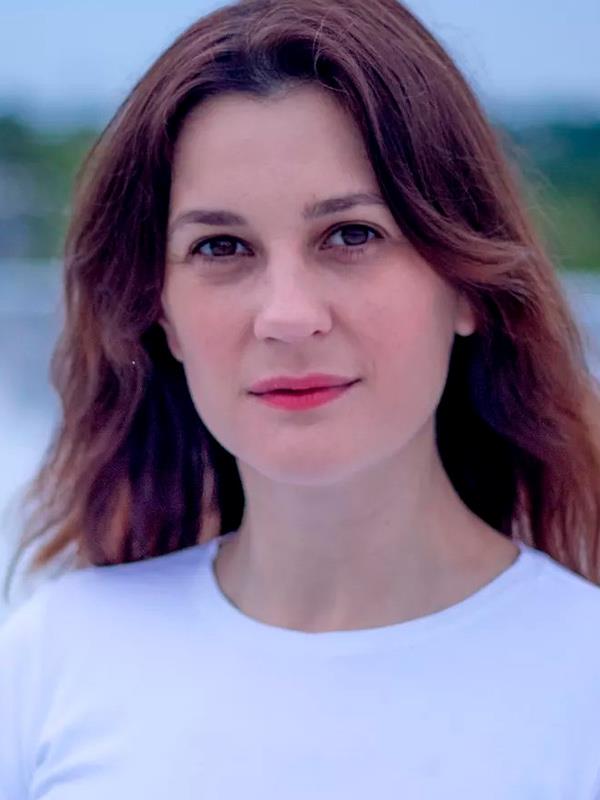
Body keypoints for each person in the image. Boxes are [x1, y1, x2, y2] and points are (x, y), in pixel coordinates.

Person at [2, 0, 600, 796]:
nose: (287, 315)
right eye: (221, 246)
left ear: (465, 284)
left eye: (351, 235)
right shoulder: (50, 665)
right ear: (161, 313)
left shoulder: (583, 682)